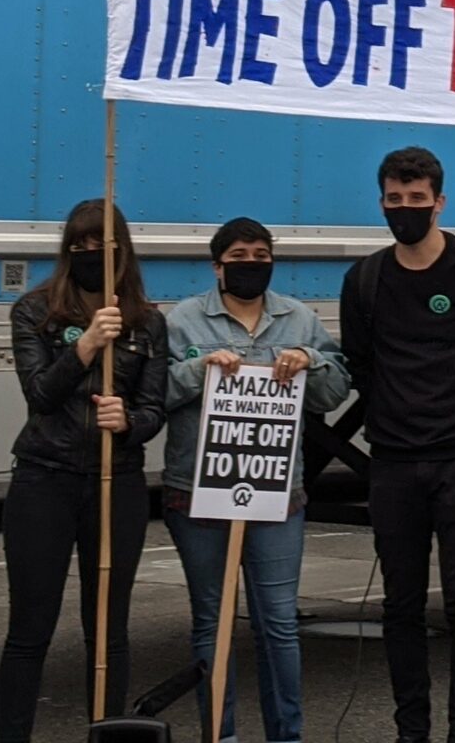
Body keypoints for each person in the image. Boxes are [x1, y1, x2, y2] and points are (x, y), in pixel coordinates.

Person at [340, 146, 455, 743]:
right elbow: (362, 367)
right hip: (393, 463)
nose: (405, 210)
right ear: (382, 202)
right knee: (401, 607)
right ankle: (410, 730)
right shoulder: (364, 279)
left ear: (439, 202)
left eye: (417, 200)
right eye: (395, 200)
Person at [164, 217, 351, 743]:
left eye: (261, 255)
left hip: (276, 496)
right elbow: (154, 392)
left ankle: (285, 736)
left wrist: (309, 360)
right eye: (240, 256)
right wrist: (199, 368)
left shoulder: (297, 318)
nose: (252, 264)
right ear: (217, 265)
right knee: (211, 623)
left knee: (279, 626)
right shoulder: (182, 322)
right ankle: (219, 735)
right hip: (198, 492)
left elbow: (335, 391)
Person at [0, 200, 169, 741]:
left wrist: (129, 421)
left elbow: (155, 409)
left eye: (103, 245)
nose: (92, 254)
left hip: (117, 485)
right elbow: (41, 395)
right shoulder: (34, 311)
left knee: (109, 631)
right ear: (69, 251)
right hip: (44, 478)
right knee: (29, 629)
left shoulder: (148, 322)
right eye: (81, 245)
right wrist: (88, 344)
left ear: (123, 251)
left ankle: (106, 732)